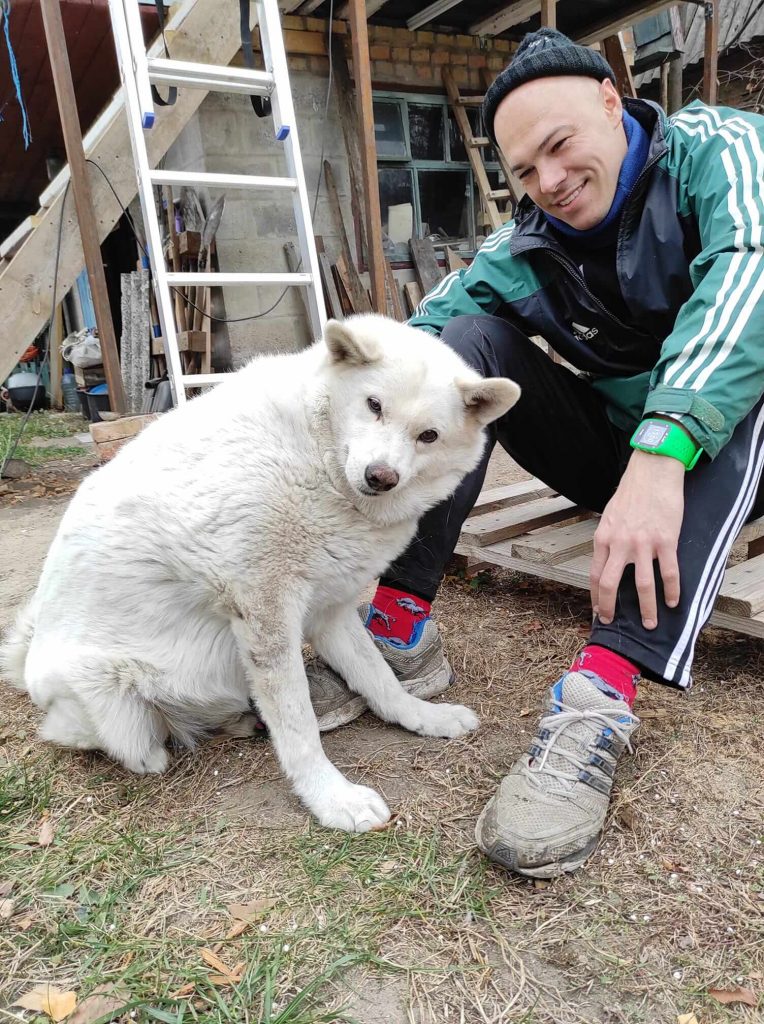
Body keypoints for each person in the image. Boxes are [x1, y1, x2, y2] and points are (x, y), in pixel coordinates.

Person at [308, 28, 764, 878]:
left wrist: (663, 449)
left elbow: (751, 272)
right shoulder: (522, 246)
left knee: (751, 374)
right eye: (525, 172)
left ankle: (601, 692)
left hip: (732, 446)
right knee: (465, 345)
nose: (549, 183)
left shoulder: (718, 154)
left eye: (560, 147)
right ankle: (399, 629)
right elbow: (406, 343)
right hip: (614, 456)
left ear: (609, 99)